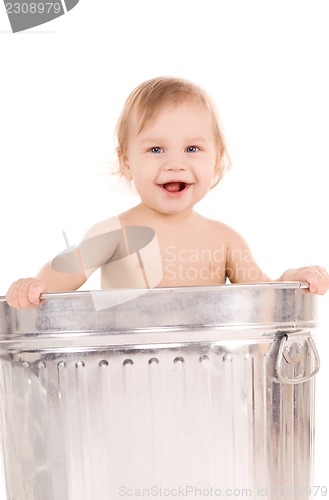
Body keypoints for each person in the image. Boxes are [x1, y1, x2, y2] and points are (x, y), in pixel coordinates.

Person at [5, 76, 329, 309]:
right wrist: (36, 286)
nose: (175, 163)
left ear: (215, 161)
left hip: (205, 377)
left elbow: (265, 295)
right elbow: (65, 272)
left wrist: (291, 278)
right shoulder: (115, 234)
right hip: (125, 372)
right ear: (127, 161)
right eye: (157, 149)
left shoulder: (224, 239)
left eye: (192, 148)